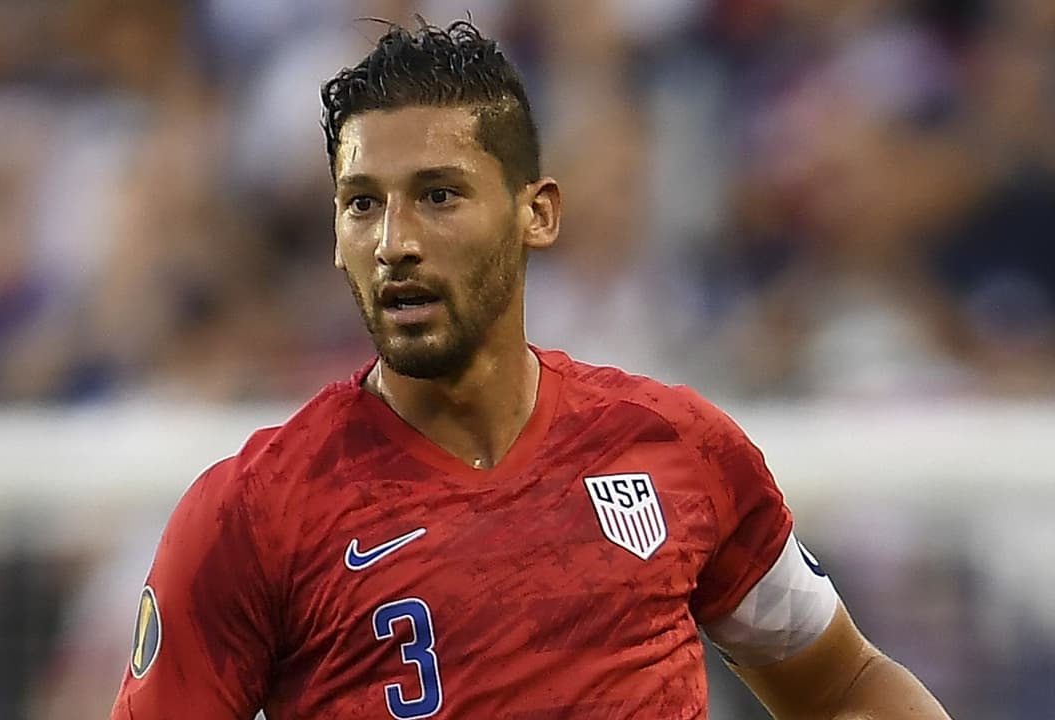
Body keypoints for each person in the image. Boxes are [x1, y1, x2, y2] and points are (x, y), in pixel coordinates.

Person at [109, 19, 952, 719]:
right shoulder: (251, 515)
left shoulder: (674, 448)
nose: (395, 241)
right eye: (363, 202)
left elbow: (845, 685)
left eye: (438, 195)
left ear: (537, 214)